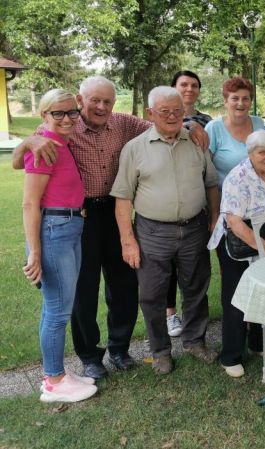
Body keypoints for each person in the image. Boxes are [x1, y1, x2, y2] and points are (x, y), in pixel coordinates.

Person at [12, 76, 209, 379]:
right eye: (95, 100)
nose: (101, 107)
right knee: (84, 289)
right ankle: (90, 356)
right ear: (81, 100)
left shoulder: (124, 123)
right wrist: (29, 140)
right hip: (83, 216)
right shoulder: (64, 124)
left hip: (116, 211)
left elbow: (163, 122)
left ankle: (119, 348)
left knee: (124, 285)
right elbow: (21, 159)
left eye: (107, 101)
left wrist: (192, 126)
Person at [111, 86, 220, 375]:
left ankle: (195, 341)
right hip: (152, 232)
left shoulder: (196, 142)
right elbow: (123, 198)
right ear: (150, 114)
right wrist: (127, 240)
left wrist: (214, 218)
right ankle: (160, 351)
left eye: (177, 111)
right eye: (165, 112)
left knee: (196, 288)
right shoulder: (135, 148)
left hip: (195, 227)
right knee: (151, 294)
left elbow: (211, 183)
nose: (172, 116)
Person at [22, 89, 97, 402]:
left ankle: (57, 374)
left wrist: (28, 140)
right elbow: (29, 203)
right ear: (44, 116)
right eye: (58, 113)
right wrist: (35, 252)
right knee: (57, 312)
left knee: (56, 307)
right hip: (54, 232)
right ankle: (53, 382)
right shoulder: (44, 149)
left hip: (70, 228)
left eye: (71, 112)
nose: (67, 119)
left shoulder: (58, 144)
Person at [207, 130, 265, 378]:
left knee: (264, 293)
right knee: (237, 299)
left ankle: (259, 344)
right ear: (250, 153)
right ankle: (231, 355)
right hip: (239, 246)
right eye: (262, 152)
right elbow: (234, 222)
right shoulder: (237, 177)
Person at [165, 70, 214, 338]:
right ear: (173, 87)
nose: (189, 89)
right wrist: (187, 125)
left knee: (194, 261)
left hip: (198, 195)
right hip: (168, 196)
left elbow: (210, 157)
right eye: (183, 84)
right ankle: (170, 313)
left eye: (194, 85)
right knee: (168, 262)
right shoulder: (160, 116)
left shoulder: (206, 121)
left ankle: (194, 314)